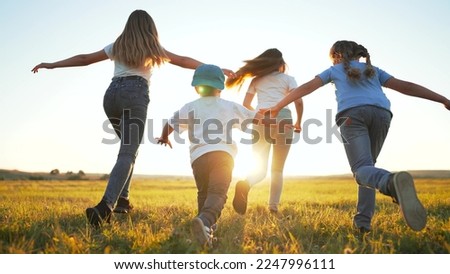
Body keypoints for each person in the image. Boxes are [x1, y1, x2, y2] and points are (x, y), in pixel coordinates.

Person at [31, 10, 234, 228]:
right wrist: (213, 70)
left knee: (128, 151)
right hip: (135, 95)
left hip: (111, 97)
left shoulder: (117, 46)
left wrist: (52, 64)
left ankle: (123, 202)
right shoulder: (152, 48)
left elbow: (84, 59)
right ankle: (105, 207)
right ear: (151, 28)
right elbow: (183, 60)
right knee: (128, 152)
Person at [265, 40, 450, 232]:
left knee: (362, 170)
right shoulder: (373, 70)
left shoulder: (333, 70)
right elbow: (407, 86)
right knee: (368, 169)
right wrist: (443, 99)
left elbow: (305, 88)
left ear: (336, 56)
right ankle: (363, 224)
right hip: (382, 114)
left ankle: (390, 182)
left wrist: (278, 106)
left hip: (352, 115)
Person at [157, 64, 277, 246]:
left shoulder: (189, 107)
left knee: (204, 193)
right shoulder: (228, 106)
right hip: (222, 155)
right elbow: (255, 117)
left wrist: (165, 137)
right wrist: (276, 123)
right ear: (220, 87)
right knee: (218, 193)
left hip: (198, 159)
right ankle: (205, 222)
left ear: (196, 87)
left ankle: (205, 232)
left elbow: (170, 123)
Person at [225, 48, 303, 214]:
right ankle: (273, 208)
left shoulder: (256, 80)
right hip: (284, 119)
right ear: (281, 64)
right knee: (277, 169)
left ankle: (246, 184)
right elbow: (299, 102)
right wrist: (298, 122)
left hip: (261, 120)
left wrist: (260, 114)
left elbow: (246, 104)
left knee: (260, 168)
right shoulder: (288, 79)